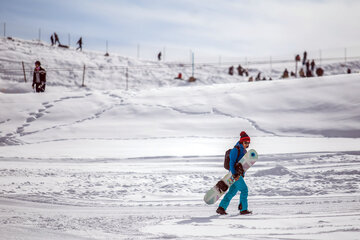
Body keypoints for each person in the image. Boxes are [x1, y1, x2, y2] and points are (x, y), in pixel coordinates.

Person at [216, 131, 252, 215]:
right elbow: (231, 163)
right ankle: (243, 209)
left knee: (232, 192)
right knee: (244, 190)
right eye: (246, 142)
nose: (247, 144)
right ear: (242, 141)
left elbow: (243, 165)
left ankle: (221, 208)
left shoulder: (244, 151)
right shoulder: (236, 150)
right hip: (235, 174)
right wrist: (234, 174)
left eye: (249, 143)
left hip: (238, 175)